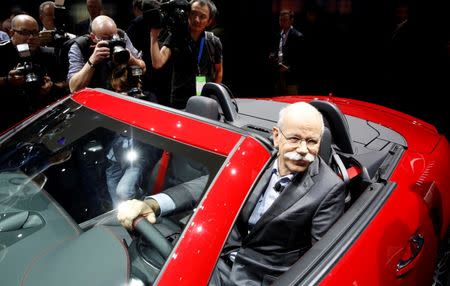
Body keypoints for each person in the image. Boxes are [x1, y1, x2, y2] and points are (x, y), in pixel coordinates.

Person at [117, 101, 346, 285]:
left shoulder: (328, 188)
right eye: (295, 139)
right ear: (276, 136)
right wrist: (153, 204)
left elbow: (321, 257)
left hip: (259, 278)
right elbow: (206, 185)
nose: (304, 150)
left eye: (312, 142)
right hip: (212, 255)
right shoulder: (258, 155)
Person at [149, 0, 223, 109]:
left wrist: (213, 95)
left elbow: (219, 71)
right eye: (193, 13)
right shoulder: (176, 37)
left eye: (202, 16)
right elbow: (157, 63)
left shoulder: (213, 41)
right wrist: (153, 36)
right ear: (187, 14)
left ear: (209, 21)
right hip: (179, 101)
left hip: (205, 100)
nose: (197, 19)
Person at [0, 14, 65, 131]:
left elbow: (64, 83)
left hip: (42, 118)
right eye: (24, 32)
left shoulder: (49, 54)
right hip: (8, 121)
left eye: (35, 33)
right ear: (11, 33)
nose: (30, 37)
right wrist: (7, 80)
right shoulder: (2, 53)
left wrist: (52, 86)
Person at [67, 15, 145, 92]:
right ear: (93, 37)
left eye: (114, 37)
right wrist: (92, 61)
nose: (112, 41)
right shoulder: (81, 46)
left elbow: (143, 68)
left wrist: (131, 59)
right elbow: (73, 88)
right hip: (93, 96)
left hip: (120, 93)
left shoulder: (121, 36)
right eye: (106, 38)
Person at [269, 10, 304, 95]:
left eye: (285, 20)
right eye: (280, 20)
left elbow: (301, 57)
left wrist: (289, 67)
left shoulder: (297, 36)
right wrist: (272, 55)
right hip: (279, 75)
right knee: (278, 101)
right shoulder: (278, 35)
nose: (282, 22)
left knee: (291, 102)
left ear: (291, 21)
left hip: (291, 77)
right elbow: (275, 50)